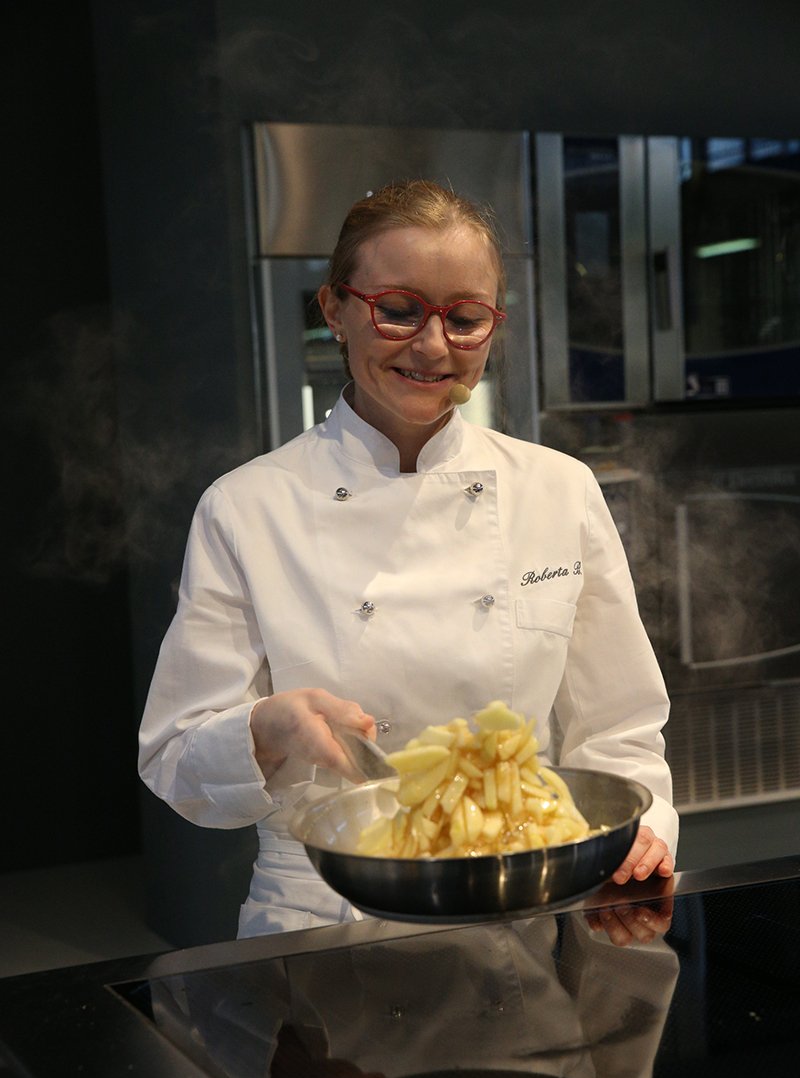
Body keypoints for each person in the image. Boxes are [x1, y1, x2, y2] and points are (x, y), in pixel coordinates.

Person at [138, 179, 678, 938]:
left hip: (522, 904)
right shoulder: (246, 506)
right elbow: (175, 760)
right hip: (324, 919)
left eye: (463, 319)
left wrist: (641, 838)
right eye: (398, 310)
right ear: (335, 309)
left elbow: (617, 728)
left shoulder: (559, 489)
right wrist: (269, 724)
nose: (432, 347)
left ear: (493, 326)